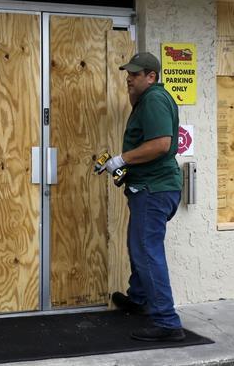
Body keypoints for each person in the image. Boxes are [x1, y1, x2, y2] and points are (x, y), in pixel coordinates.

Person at [98, 52, 185, 342]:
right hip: (149, 188)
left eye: (135, 75)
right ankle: (139, 298)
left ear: (152, 76)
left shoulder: (155, 100)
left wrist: (122, 159)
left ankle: (167, 321)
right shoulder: (147, 101)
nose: (129, 79)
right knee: (138, 245)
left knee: (147, 250)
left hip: (154, 190)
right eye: (128, 74)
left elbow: (161, 144)